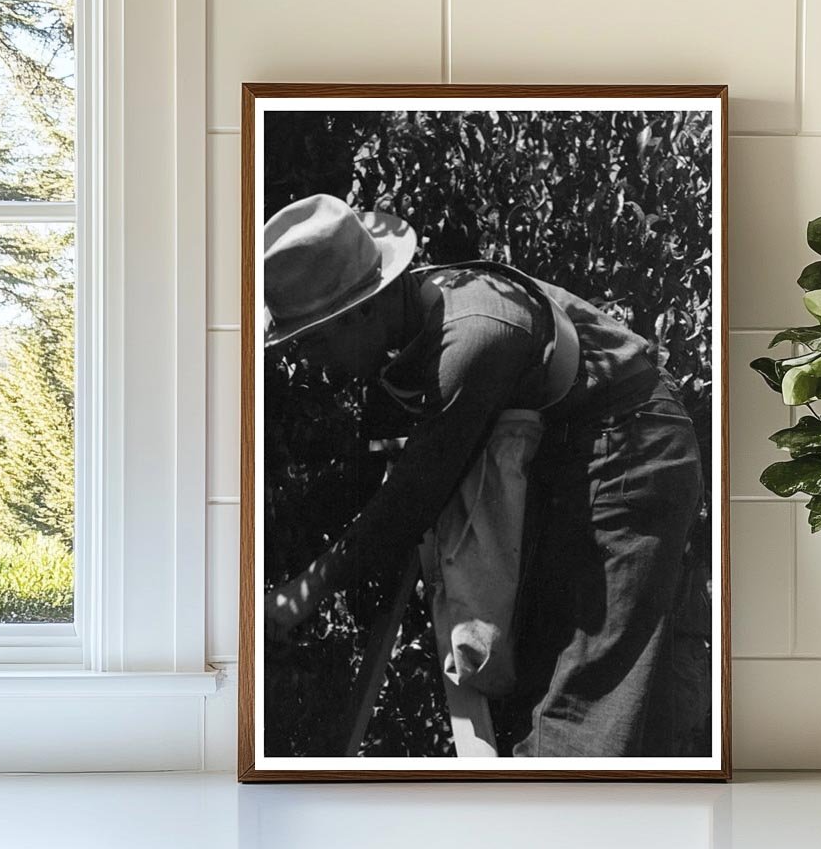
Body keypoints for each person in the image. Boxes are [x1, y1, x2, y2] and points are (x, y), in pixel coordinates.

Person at [264, 193, 703, 757]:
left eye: (317, 341)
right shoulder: (417, 328)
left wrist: (303, 595)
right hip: (571, 453)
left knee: (583, 700)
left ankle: (542, 835)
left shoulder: (471, 335)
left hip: (634, 447)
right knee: (542, 680)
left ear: (363, 311)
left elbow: (410, 499)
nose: (314, 364)